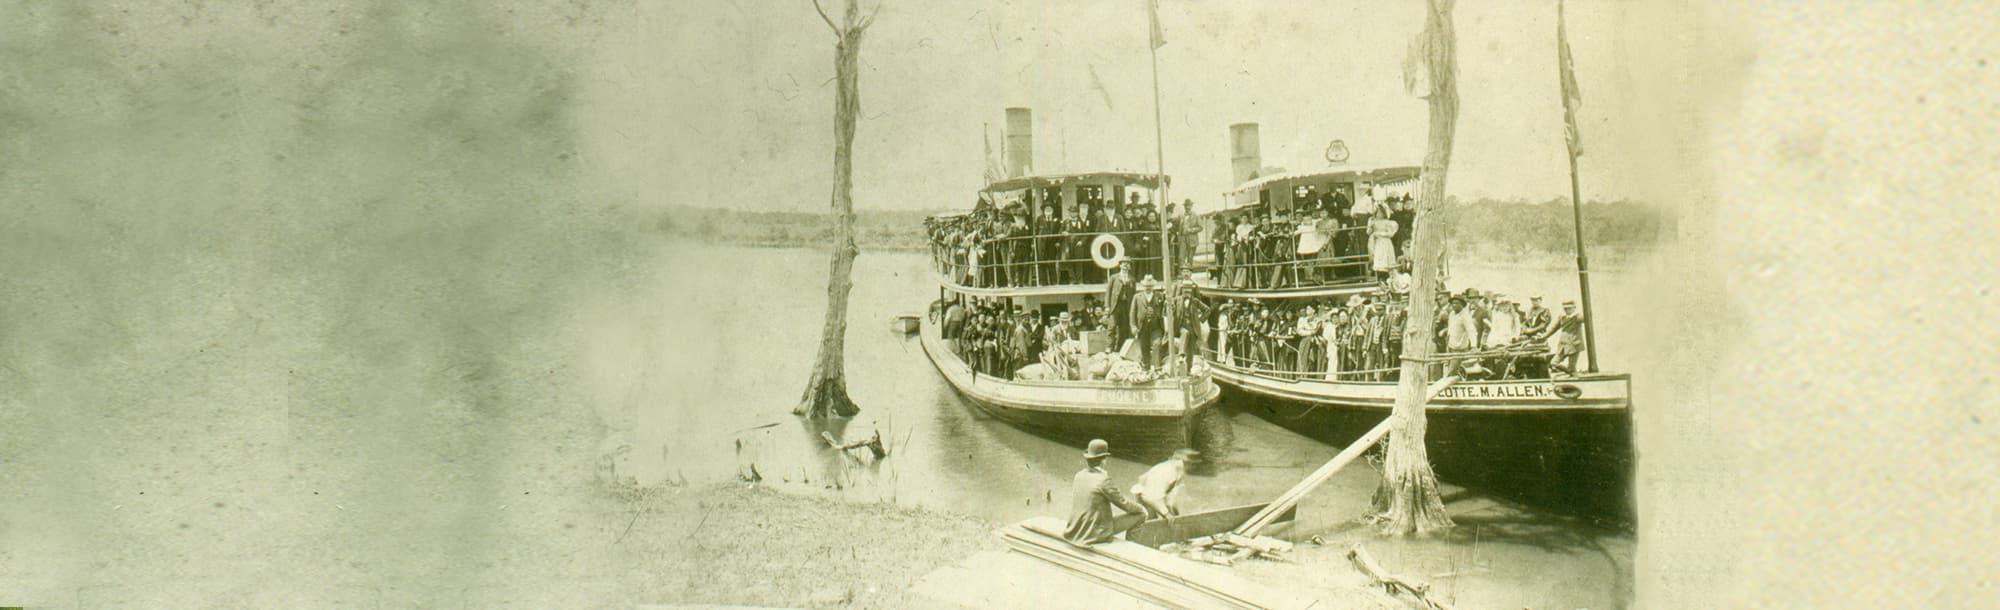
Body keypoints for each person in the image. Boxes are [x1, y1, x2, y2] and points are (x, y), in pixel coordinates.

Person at [1062, 439, 1148, 545]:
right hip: (1095, 533)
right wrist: (1142, 508)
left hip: (1076, 528)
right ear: (1103, 460)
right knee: (1141, 515)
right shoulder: (1103, 480)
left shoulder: (1079, 475)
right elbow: (1124, 503)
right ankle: (1130, 547)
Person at [1130, 448, 1200, 520]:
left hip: (1156, 495)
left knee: (1172, 516)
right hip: (1145, 497)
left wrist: (1171, 509)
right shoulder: (1167, 471)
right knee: (1151, 522)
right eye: (1192, 464)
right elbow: (1150, 497)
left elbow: (1171, 493)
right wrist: (1166, 513)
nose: (1194, 467)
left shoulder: (1179, 471)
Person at [1545, 300, 1587, 377]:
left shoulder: (1577, 317)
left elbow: (1586, 318)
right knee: (1553, 363)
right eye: (1565, 309)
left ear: (1574, 308)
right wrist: (1543, 336)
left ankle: (1573, 375)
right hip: (1563, 345)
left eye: (1569, 308)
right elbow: (1553, 328)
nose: (1567, 310)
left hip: (1574, 345)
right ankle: (1571, 373)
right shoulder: (1562, 317)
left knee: (1572, 366)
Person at [1132, 276, 1164, 368]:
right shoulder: (1137, 297)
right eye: (1146, 286)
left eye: (1150, 286)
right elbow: (1132, 312)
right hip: (1142, 326)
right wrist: (1133, 326)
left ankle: (1157, 366)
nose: (1148, 288)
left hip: (1156, 326)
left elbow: (1165, 308)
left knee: (1157, 344)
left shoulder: (1159, 296)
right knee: (1144, 346)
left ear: (1153, 286)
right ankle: (1146, 366)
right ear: (1143, 286)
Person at [1105, 260, 1137, 352]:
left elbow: (1134, 294)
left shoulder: (1132, 279)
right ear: (1120, 266)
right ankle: (1109, 347)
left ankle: (1120, 348)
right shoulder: (1114, 277)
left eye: (1128, 264)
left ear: (1130, 267)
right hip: (1115, 305)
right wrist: (1107, 306)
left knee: (1124, 328)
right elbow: (1108, 292)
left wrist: (1133, 307)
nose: (1125, 266)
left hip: (1126, 306)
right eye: (1123, 264)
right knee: (1112, 326)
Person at [1368, 209, 1399, 277]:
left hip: (1385, 242)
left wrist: (1379, 234)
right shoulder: (1374, 222)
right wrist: (1370, 225)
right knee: (1378, 258)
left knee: (1386, 258)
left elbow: (1391, 234)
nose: (1379, 214)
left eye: (1381, 213)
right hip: (1377, 243)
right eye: (1378, 213)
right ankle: (1379, 276)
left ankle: (1387, 276)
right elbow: (1368, 232)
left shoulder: (1387, 222)